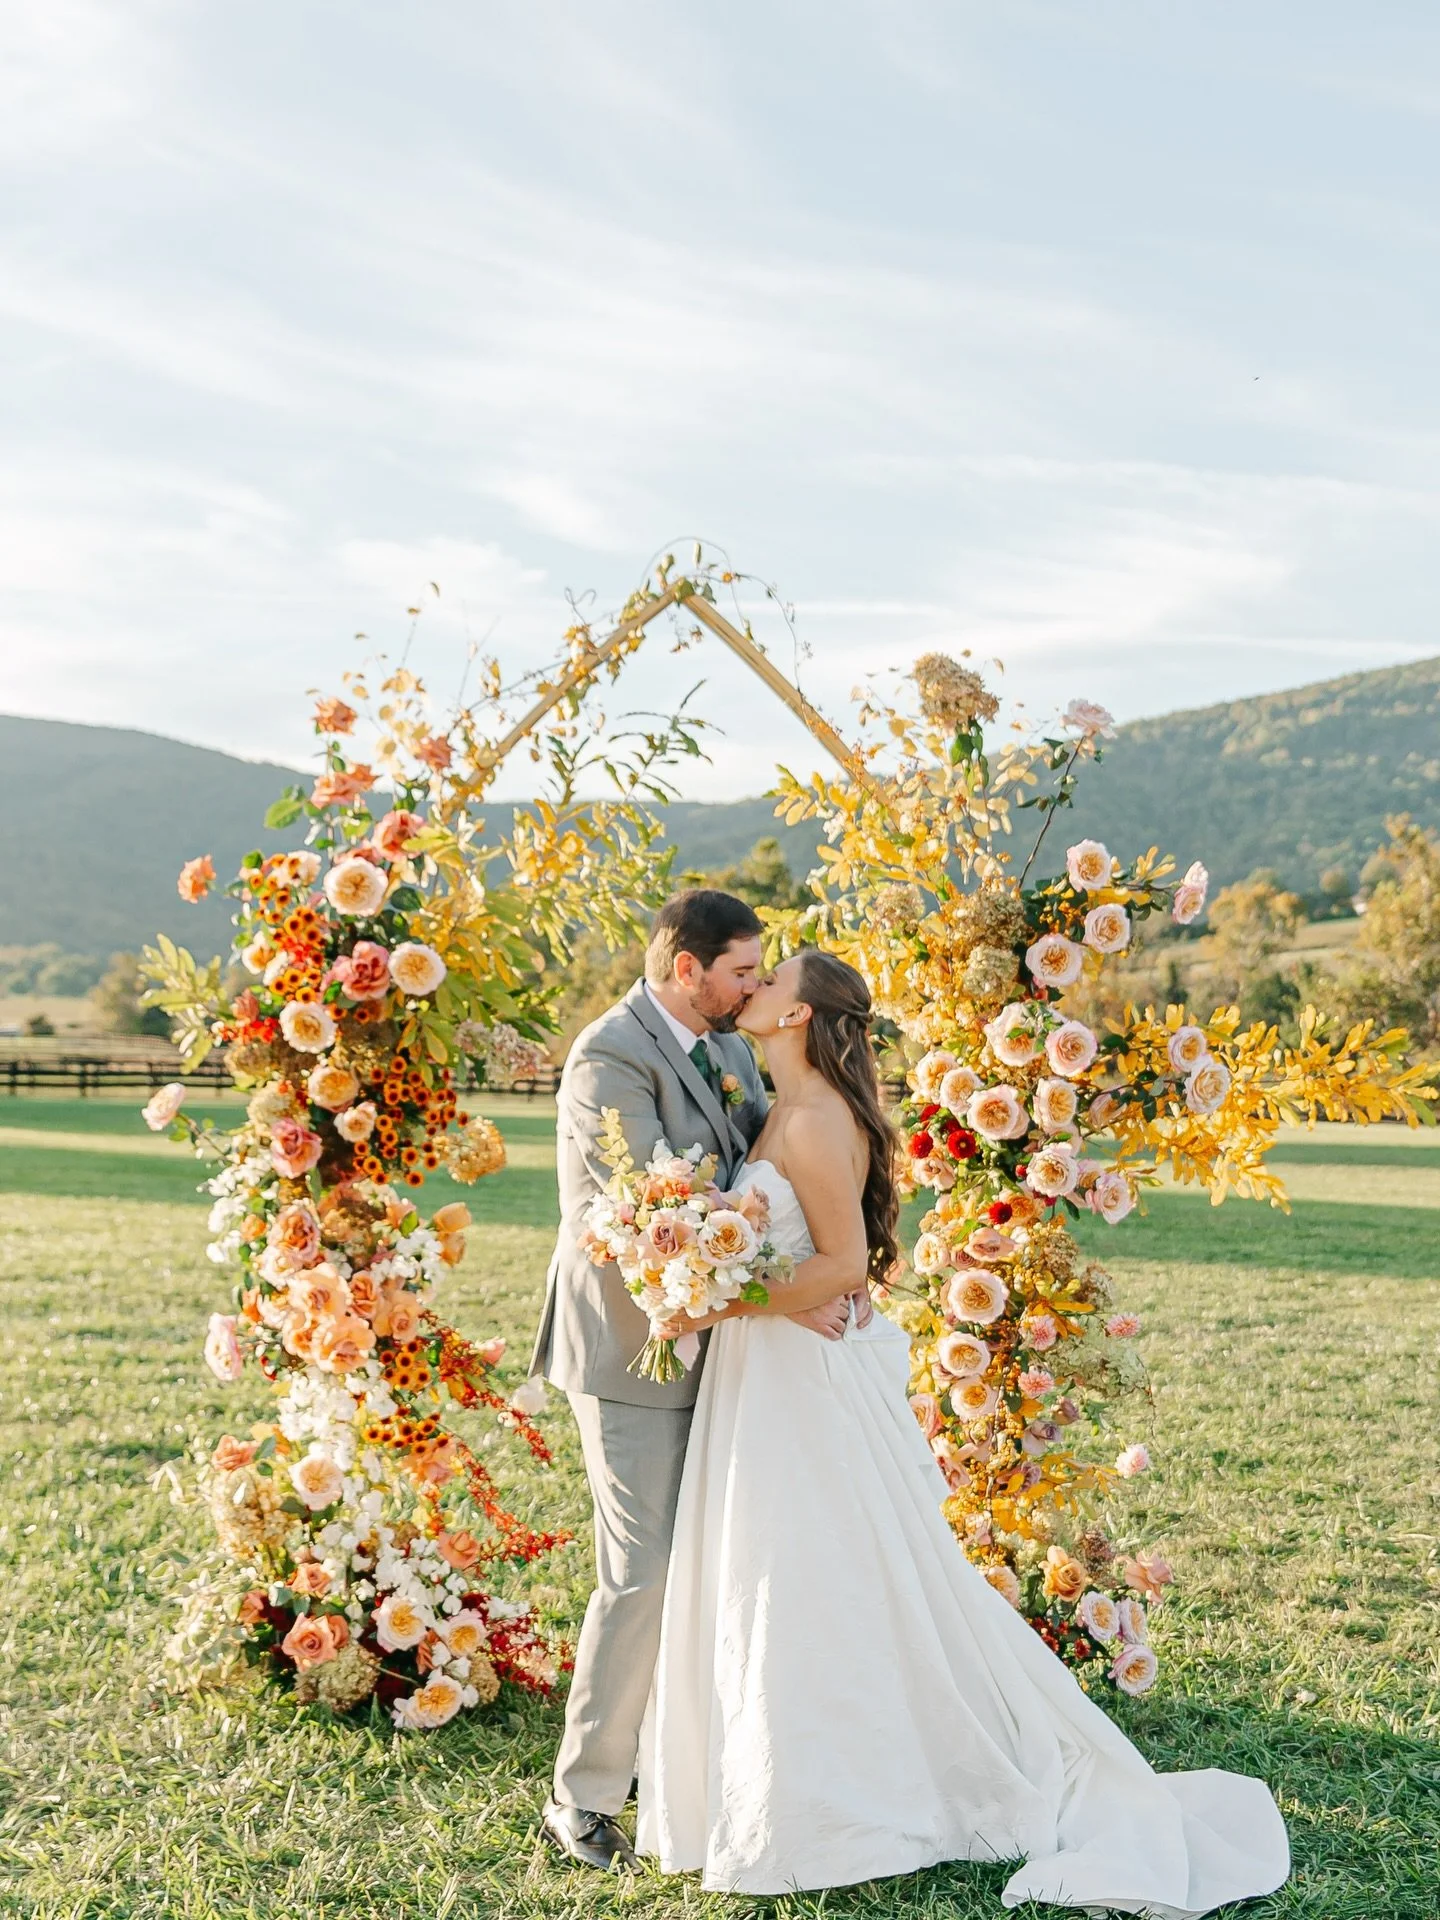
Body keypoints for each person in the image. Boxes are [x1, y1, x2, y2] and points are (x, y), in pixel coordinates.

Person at [635, 947, 1291, 1914]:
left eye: (773, 982)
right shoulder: (787, 1107)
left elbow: (844, 1269)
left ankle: (841, 1793)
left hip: (792, 1377)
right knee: (799, 1565)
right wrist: (719, 1282)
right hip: (771, 1370)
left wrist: (713, 1296)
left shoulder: (813, 1120)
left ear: (799, 1018)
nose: (757, 987)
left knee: (807, 1566)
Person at [530, 892, 852, 1870]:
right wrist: (788, 1293)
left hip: (715, 1341)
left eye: (761, 974)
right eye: (742, 971)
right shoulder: (608, 1058)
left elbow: (765, 1177)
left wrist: (822, 1263)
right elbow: (648, 1209)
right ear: (687, 968)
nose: (754, 985)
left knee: (710, 1563)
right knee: (643, 1570)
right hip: (631, 1346)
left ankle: (679, 1758)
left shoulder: (720, 1042)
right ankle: (581, 1797)